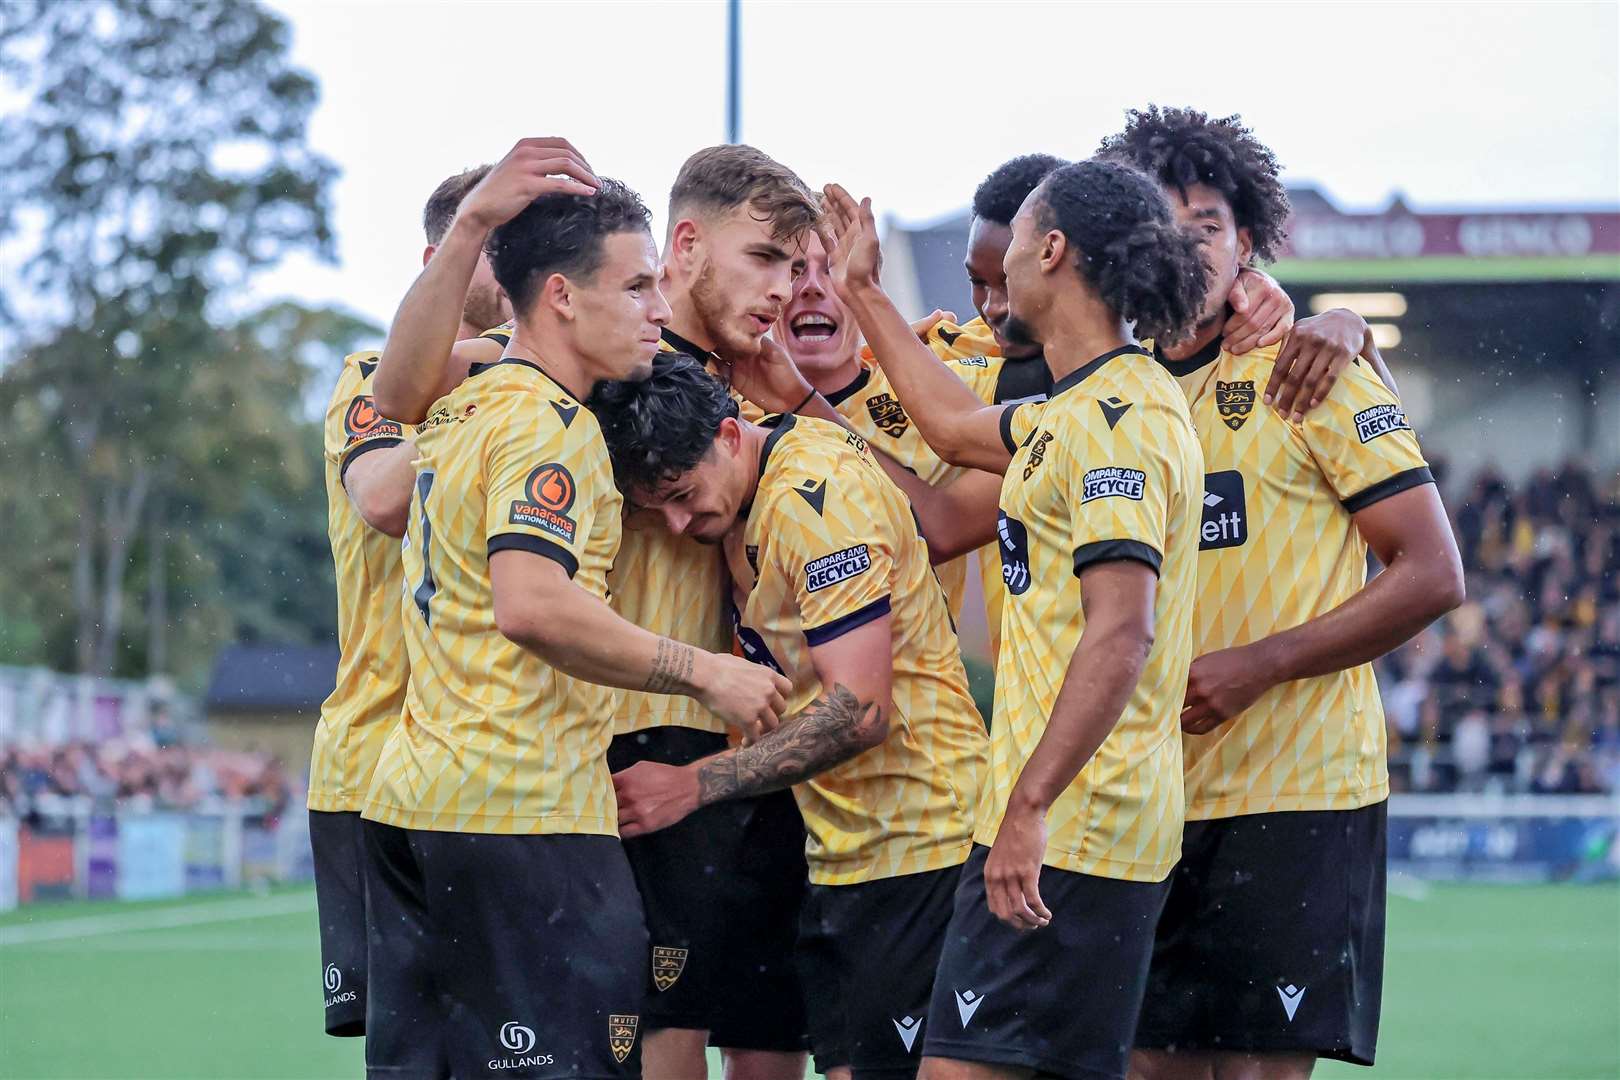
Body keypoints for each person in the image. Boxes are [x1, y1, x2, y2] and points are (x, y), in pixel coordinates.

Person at [371, 138, 823, 1080]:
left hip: (418, 802)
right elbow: (530, 603)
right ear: (564, 299)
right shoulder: (554, 423)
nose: (657, 308)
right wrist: (707, 670)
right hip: (522, 809)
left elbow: (397, 402)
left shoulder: (476, 401)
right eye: (636, 287)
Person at [1093, 106, 1465, 1080]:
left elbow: (1432, 572)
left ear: (1248, 242)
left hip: (1298, 794)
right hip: (1147, 798)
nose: (1184, 245)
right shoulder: (1103, 399)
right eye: (1159, 226)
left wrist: (1262, 664)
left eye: (1207, 225)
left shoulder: (1310, 372)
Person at [820, 160, 1206, 1080]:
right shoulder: (1074, 409)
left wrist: (1027, 807)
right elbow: (954, 428)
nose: (992, 283)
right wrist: (862, 292)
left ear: (1052, 249)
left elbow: (1124, 630)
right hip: (1067, 824)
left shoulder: (1118, 420)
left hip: (1071, 827)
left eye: (1011, 249)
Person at [598, 351, 990, 1080]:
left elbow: (860, 710)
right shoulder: (747, 494)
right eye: (660, 508)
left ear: (727, 433)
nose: (680, 523)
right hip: (843, 856)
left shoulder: (816, 497)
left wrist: (692, 783)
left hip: (923, 846)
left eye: (683, 495)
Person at [307, 163, 504, 1040]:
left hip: (498, 768)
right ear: (440, 258)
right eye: (500, 248)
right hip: (375, 760)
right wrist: (507, 366)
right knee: (411, 1051)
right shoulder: (366, 376)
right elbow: (384, 503)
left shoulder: (548, 397)